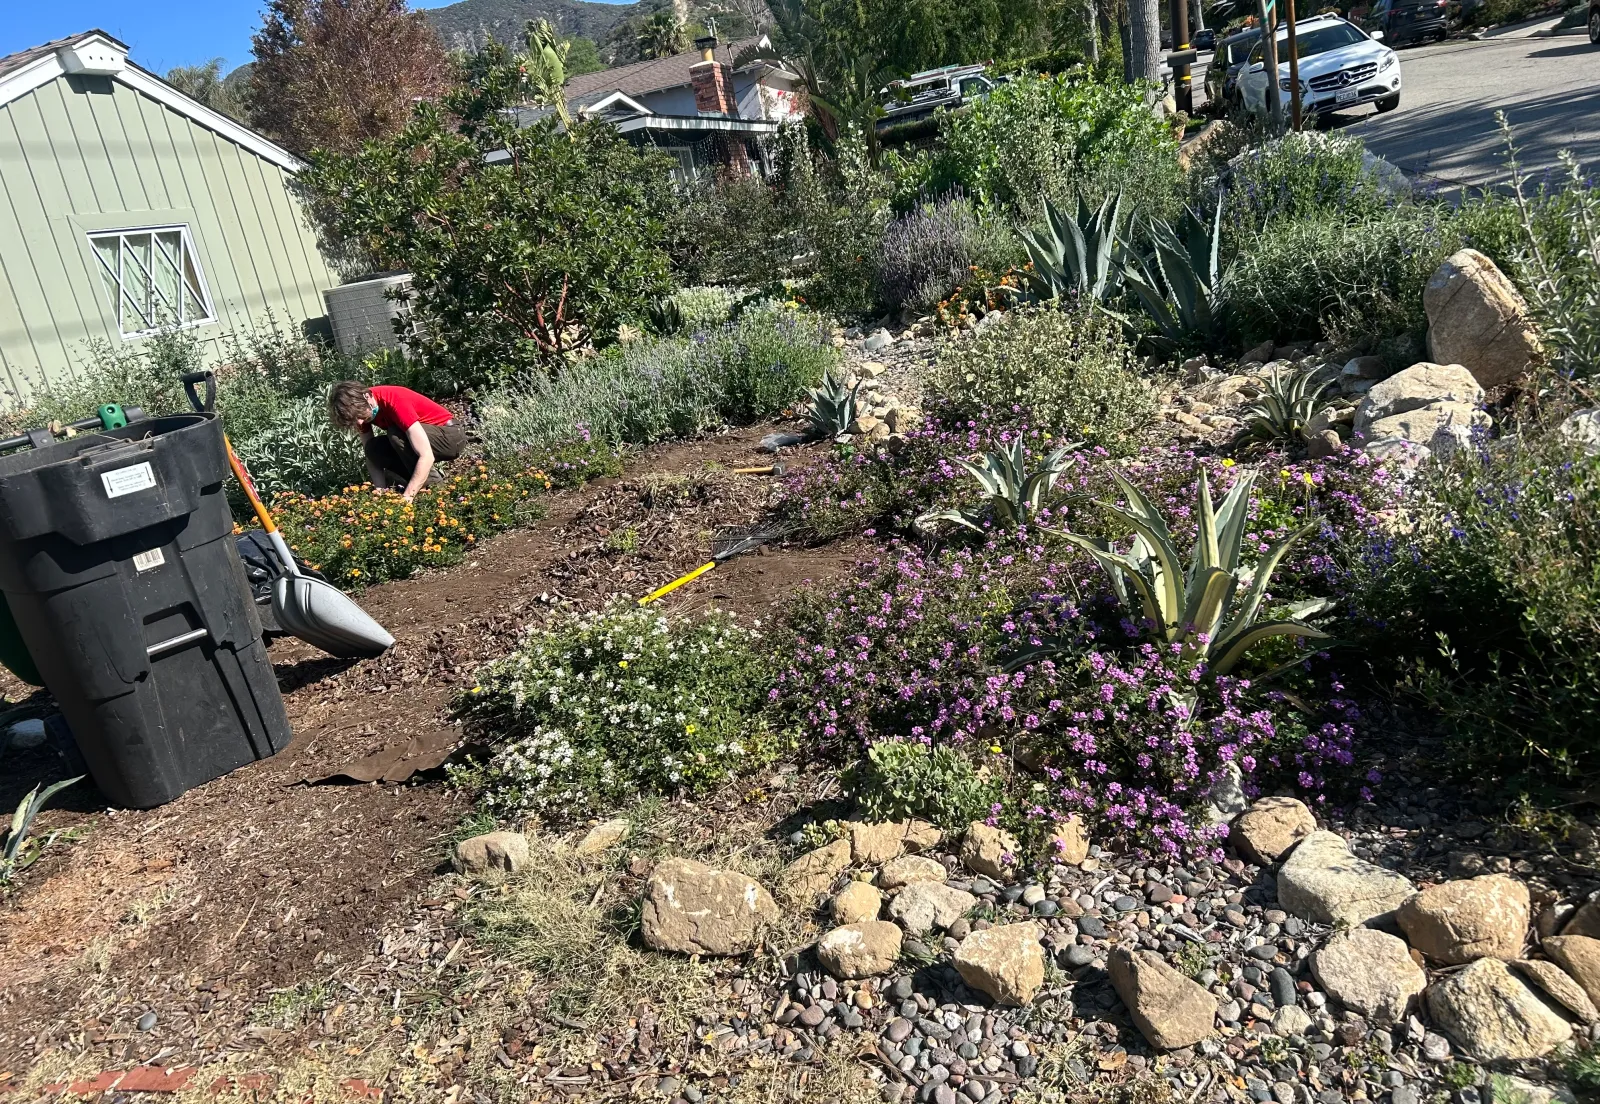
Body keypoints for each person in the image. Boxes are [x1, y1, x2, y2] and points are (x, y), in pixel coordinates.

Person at [328, 381, 467, 501]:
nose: (360, 421)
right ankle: (416, 486)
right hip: (427, 440)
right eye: (354, 418)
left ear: (367, 396)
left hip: (451, 437)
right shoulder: (360, 412)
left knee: (396, 434)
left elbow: (426, 455)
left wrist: (408, 497)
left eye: (359, 414)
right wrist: (380, 493)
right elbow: (371, 458)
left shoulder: (394, 400)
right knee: (374, 448)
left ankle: (437, 491)